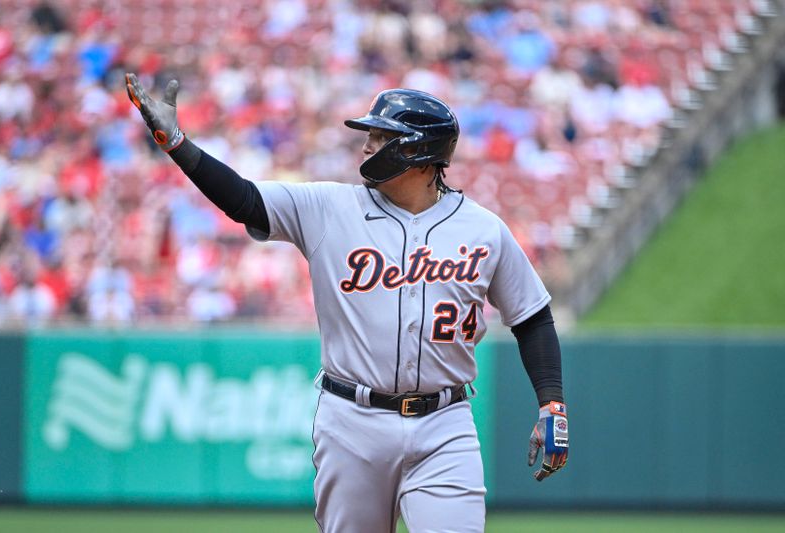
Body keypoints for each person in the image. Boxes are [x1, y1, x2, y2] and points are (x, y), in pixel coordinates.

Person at [125, 73, 569, 533]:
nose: (366, 146)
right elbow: (245, 200)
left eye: (380, 137)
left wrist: (551, 404)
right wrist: (177, 143)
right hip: (352, 421)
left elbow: (532, 317)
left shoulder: (483, 229)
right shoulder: (329, 208)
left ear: (416, 151)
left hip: (445, 423)